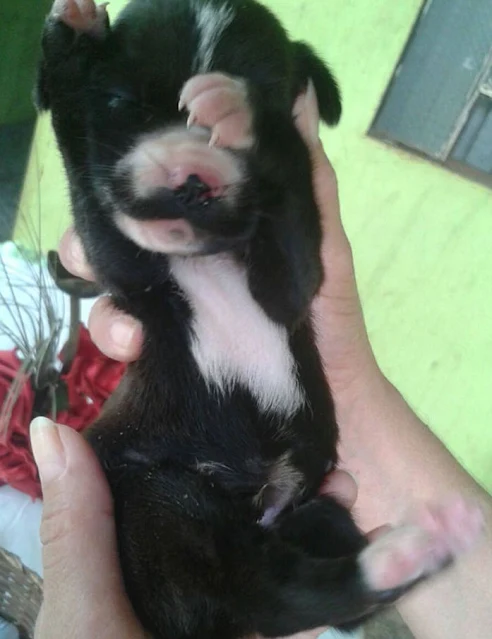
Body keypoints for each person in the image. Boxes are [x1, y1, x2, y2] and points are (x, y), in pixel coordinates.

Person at [31, 83, 492, 639]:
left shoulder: (264, 232)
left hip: (263, 477)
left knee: (311, 531)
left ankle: (336, 585)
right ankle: (334, 586)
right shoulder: (151, 234)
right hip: (179, 505)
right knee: (205, 533)